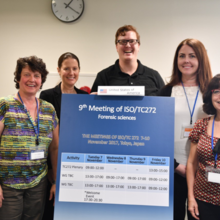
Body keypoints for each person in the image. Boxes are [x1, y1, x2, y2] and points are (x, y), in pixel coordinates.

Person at [159, 39, 212, 220]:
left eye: (192, 56)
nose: (186, 60)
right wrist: (175, 166)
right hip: (171, 169)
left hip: (204, 172)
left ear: (201, 60)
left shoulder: (211, 92)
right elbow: (156, 134)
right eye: (182, 56)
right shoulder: (165, 92)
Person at [0, 56, 59, 220]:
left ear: (42, 80)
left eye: (37, 75)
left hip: (38, 183)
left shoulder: (49, 109)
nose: (32, 80)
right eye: (27, 74)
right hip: (8, 185)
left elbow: (54, 148)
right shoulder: (5, 105)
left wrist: (54, 181)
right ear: (18, 77)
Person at [40, 52, 88, 220]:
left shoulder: (85, 97)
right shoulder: (46, 96)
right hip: (54, 162)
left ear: (79, 70)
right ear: (59, 70)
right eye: (66, 68)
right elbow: (46, 135)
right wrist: (53, 172)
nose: (71, 73)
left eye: (74, 68)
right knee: (52, 209)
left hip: (78, 162)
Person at [91, 25, 165, 95]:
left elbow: (166, 105)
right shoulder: (103, 76)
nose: (128, 45)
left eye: (132, 41)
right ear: (116, 47)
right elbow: (93, 106)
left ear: (138, 46)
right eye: (123, 41)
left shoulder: (154, 76)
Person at [187, 74, 220, 220]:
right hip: (201, 201)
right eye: (217, 91)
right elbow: (191, 163)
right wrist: (191, 197)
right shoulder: (201, 124)